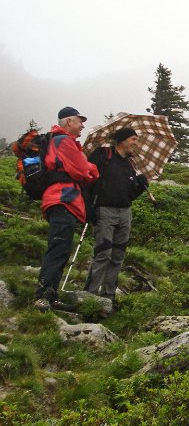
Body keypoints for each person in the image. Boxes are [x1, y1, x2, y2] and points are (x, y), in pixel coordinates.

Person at [34, 107, 99, 312]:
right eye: (80, 121)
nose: (82, 126)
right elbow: (83, 170)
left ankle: (50, 295)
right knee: (58, 250)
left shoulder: (59, 141)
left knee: (61, 250)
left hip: (61, 200)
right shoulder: (64, 141)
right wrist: (93, 169)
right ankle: (43, 297)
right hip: (63, 199)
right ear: (69, 122)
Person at [84, 127, 148, 301]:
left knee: (118, 255)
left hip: (125, 213)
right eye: (133, 139)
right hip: (104, 210)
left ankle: (108, 295)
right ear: (122, 140)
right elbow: (87, 180)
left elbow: (130, 195)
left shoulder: (130, 164)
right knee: (103, 253)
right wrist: (88, 207)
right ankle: (90, 295)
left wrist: (141, 186)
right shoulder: (102, 155)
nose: (136, 143)